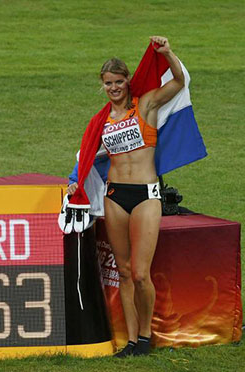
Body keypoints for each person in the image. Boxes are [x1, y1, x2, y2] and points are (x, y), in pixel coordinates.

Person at [67, 36, 185, 357]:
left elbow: (178, 82)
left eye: (119, 82)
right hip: (115, 195)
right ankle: (132, 342)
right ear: (102, 85)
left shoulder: (144, 104)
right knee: (122, 271)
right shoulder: (101, 121)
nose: (114, 88)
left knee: (140, 273)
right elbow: (87, 155)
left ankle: (146, 335)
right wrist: (74, 182)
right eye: (108, 83)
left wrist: (167, 53)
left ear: (127, 80)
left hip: (146, 195)